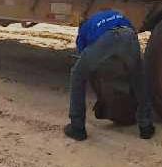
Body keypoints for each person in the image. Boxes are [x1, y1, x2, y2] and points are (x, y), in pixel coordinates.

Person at [64, 9, 155, 141]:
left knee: (77, 74)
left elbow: (83, 57)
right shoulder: (114, 15)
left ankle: (77, 127)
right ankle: (145, 126)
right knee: (138, 77)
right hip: (129, 35)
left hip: (107, 39)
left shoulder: (85, 27)